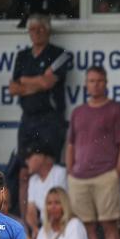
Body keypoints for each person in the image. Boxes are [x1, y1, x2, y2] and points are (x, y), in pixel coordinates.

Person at [66, 66, 120, 239]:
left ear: (106, 83)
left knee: (109, 226)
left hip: (105, 175)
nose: (95, 84)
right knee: (87, 229)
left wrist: (116, 173)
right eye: (91, 81)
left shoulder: (115, 110)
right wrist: (70, 171)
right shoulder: (78, 112)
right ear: (86, 84)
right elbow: (71, 144)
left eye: (99, 80)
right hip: (79, 178)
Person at [9, 14, 72, 163]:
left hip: (50, 120)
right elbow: (13, 89)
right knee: (24, 168)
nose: (36, 32)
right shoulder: (22, 56)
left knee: (49, 164)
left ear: (48, 31)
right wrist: (39, 80)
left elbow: (47, 84)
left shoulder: (59, 54)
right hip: (27, 118)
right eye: (32, 29)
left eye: (41, 29)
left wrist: (25, 82)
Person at [24, 143, 68, 238]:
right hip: (46, 228)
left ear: (41, 157)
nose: (26, 161)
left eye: (29, 157)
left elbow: (59, 207)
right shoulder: (33, 180)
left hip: (63, 227)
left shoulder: (60, 172)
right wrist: (36, 230)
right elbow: (30, 210)